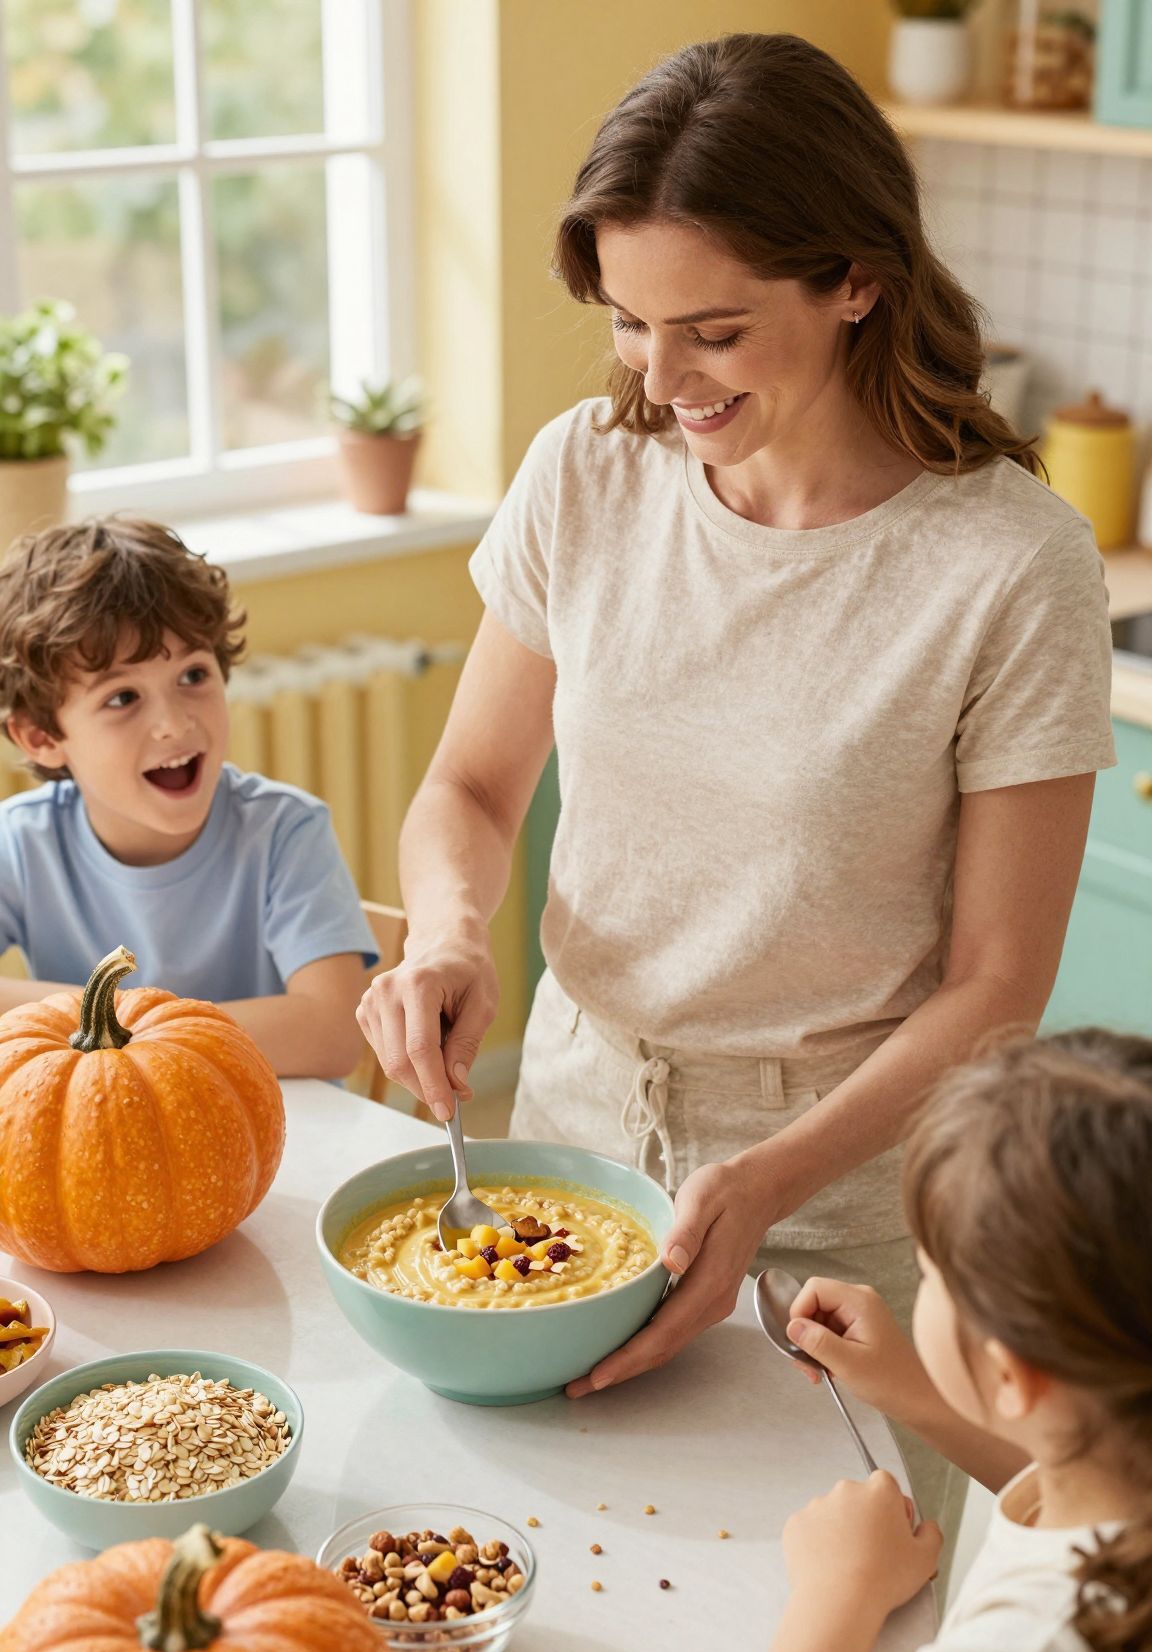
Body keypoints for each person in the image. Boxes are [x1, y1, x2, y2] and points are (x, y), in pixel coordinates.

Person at [355, 34, 1115, 1548]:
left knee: (831, 1616)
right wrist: (444, 933)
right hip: (571, 1134)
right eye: (630, 325)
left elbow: (995, 987)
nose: (659, 379)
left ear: (856, 281)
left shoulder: (1009, 566)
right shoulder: (588, 471)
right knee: (550, 1574)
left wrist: (765, 1183)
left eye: (712, 331)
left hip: (840, 1210)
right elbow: (473, 787)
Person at [704, 1029, 1152, 1652]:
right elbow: (1068, 1474)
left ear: (1016, 1374)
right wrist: (919, 1390)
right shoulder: (1122, 1471)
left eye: (929, 1272)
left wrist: (839, 1592)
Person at [0, 515, 375, 1076]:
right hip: (104, 1122)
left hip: (280, 1124)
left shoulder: (284, 831)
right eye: (123, 697)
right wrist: (112, 1019)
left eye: (193, 676)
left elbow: (332, 1034)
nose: (175, 724)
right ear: (42, 737)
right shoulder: (19, 841)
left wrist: (114, 1026)